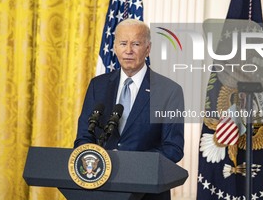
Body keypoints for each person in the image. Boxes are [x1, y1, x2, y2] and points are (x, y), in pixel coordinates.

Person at [74, 18, 184, 200]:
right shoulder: (98, 86)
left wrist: (127, 162)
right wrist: (94, 164)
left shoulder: (168, 91)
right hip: (101, 189)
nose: (128, 50)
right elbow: (84, 137)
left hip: (147, 192)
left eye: (136, 44)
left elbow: (173, 148)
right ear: (115, 47)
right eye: (123, 43)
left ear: (148, 49)